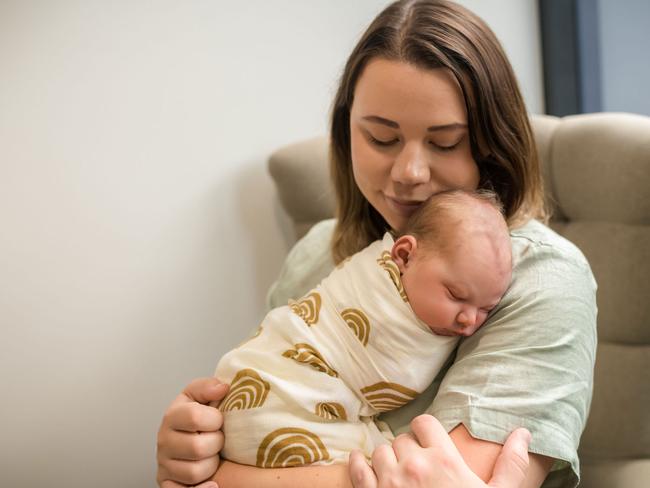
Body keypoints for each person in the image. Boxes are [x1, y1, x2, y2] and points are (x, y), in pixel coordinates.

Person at [156, 1, 597, 487]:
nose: (409, 173)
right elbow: (267, 405)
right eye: (381, 138)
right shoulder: (316, 255)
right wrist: (194, 450)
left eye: (445, 143)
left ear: (494, 141)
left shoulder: (544, 278)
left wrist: (222, 478)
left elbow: (447, 480)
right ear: (347, 134)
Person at [213, 190, 512, 468]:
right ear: (404, 256)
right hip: (276, 379)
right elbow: (388, 371)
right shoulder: (370, 281)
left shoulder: (532, 287)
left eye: (486, 308)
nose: (470, 321)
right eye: (456, 295)